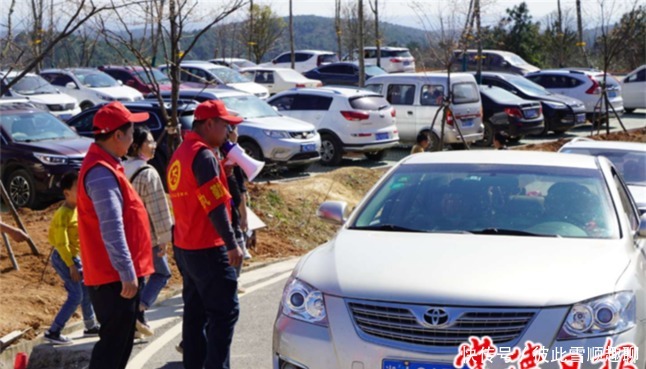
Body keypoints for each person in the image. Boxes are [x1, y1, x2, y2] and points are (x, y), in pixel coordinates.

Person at [77, 102, 154, 369]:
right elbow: (111, 226)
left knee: (118, 347)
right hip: (113, 279)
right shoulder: (101, 172)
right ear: (117, 135)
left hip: (115, 276)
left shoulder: (109, 166)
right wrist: (126, 271)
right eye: (131, 131)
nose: (134, 138)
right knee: (112, 349)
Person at [167, 100, 243, 369]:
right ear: (209, 124)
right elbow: (213, 206)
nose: (228, 132)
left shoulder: (182, 153)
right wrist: (232, 245)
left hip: (185, 245)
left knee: (195, 313)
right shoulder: (204, 155)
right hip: (207, 246)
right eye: (225, 125)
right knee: (224, 313)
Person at [124, 126, 174, 338]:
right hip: (147, 235)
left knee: (138, 277)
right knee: (162, 273)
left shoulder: (121, 168)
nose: (154, 146)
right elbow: (158, 208)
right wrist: (164, 237)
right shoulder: (148, 173)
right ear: (137, 146)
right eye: (150, 142)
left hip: (125, 233)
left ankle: (138, 322)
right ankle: (138, 310)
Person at [44, 172, 99, 345]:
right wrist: (71, 266)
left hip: (75, 258)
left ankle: (90, 326)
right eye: (78, 188)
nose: (83, 191)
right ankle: (54, 331)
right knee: (75, 295)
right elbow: (61, 243)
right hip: (65, 258)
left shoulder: (77, 209)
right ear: (67, 193)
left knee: (86, 291)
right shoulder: (63, 214)